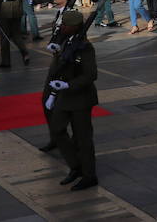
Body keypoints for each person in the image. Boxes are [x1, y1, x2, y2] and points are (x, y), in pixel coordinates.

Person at [44, 10, 99, 191]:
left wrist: (68, 85)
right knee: (57, 129)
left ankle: (89, 175)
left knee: (83, 139)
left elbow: (90, 75)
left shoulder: (85, 47)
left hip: (80, 98)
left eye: (65, 25)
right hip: (64, 96)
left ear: (74, 27)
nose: (62, 27)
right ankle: (75, 166)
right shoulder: (66, 41)